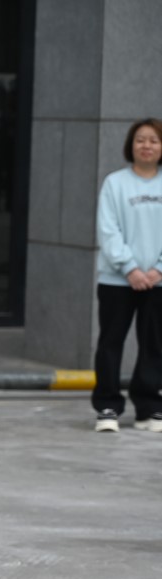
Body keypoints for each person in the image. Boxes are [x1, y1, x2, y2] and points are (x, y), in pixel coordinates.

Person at [91, 117, 162, 433]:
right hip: (117, 281)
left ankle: (149, 407)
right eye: (140, 139)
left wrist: (157, 270)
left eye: (154, 140)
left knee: (154, 345)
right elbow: (108, 232)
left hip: (158, 281)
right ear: (130, 145)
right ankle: (108, 406)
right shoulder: (114, 183)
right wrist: (130, 269)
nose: (146, 146)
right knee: (110, 342)